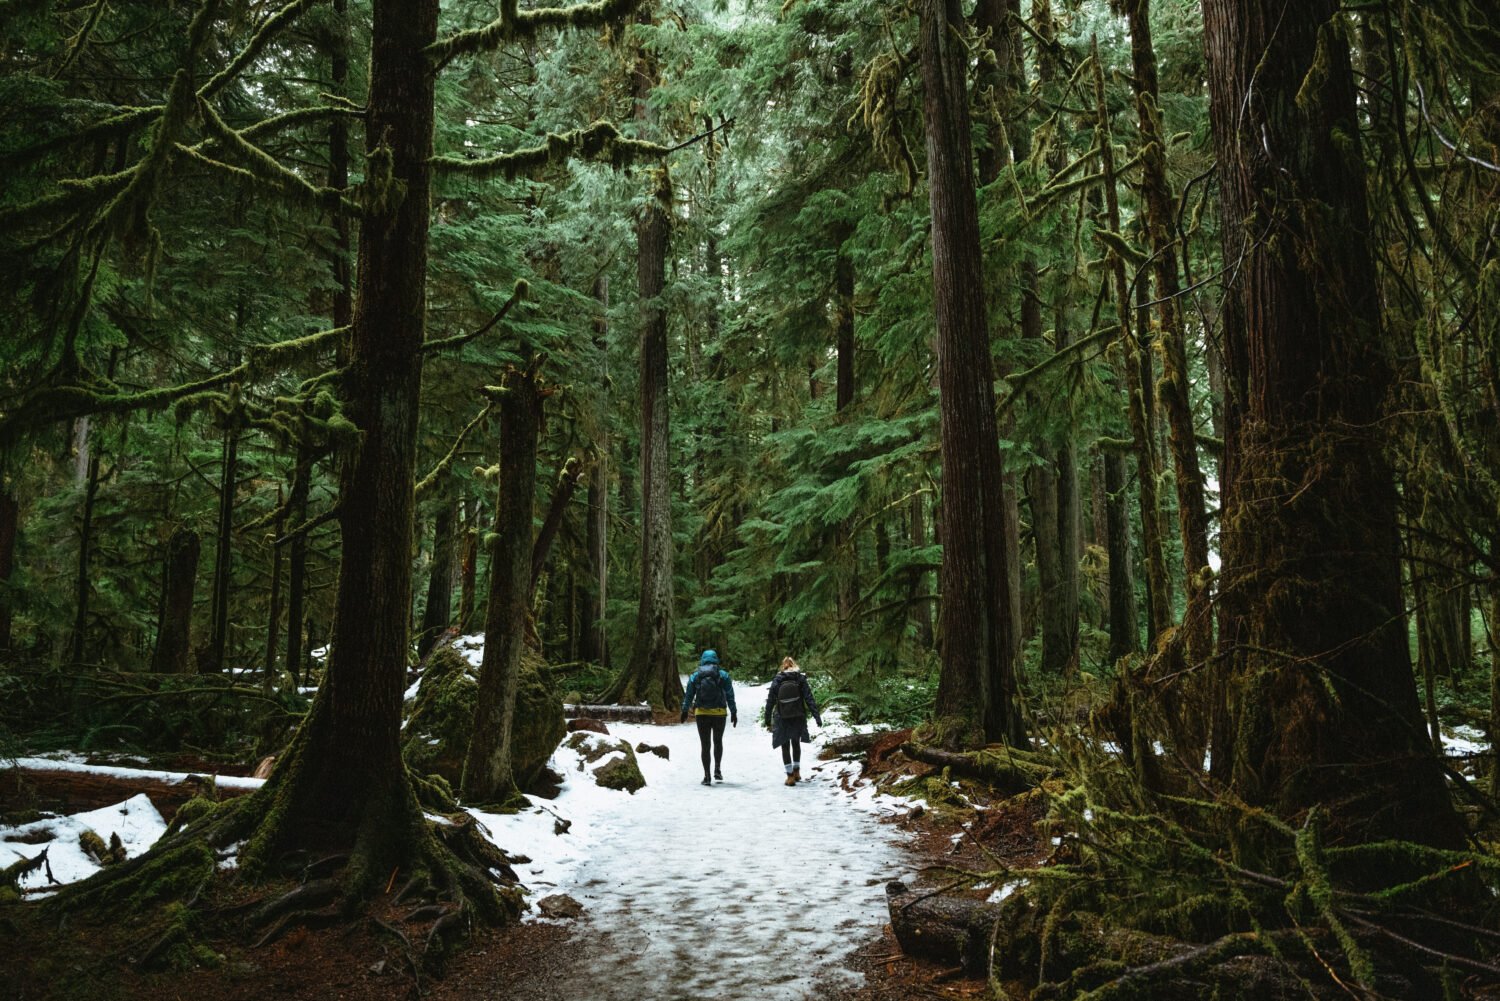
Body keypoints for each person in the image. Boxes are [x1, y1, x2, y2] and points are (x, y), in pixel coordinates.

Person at [680, 649, 736, 785]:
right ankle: (717, 769)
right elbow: (730, 695)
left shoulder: (695, 676)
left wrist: (684, 710)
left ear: (702, 659)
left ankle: (707, 776)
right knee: (718, 741)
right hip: (719, 713)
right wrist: (734, 712)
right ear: (716, 659)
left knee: (705, 745)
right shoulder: (723, 675)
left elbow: (688, 695)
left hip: (702, 713)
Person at [764, 656, 821, 786]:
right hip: (798, 716)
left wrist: (767, 719)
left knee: (785, 745)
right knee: (796, 743)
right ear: (794, 665)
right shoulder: (800, 679)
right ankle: (797, 772)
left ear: (782, 666)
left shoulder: (778, 679)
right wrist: (816, 716)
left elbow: (770, 701)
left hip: (782, 717)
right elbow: (809, 698)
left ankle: (789, 777)